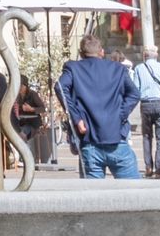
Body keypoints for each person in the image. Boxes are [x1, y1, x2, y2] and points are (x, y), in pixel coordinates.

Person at [58, 31, 140, 178]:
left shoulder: (73, 68)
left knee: (93, 197)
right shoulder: (118, 69)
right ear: (101, 51)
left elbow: (60, 87)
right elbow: (134, 94)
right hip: (116, 137)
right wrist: (120, 114)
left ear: (81, 53)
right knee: (133, 192)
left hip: (90, 139)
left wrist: (76, 118)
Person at [131, 48, 160, 177]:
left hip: (146, 105)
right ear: (156, 56)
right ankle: (159, 170)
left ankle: (148, 167)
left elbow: (136, 89)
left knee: (146, 137)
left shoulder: (139, 68)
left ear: (144, 56)